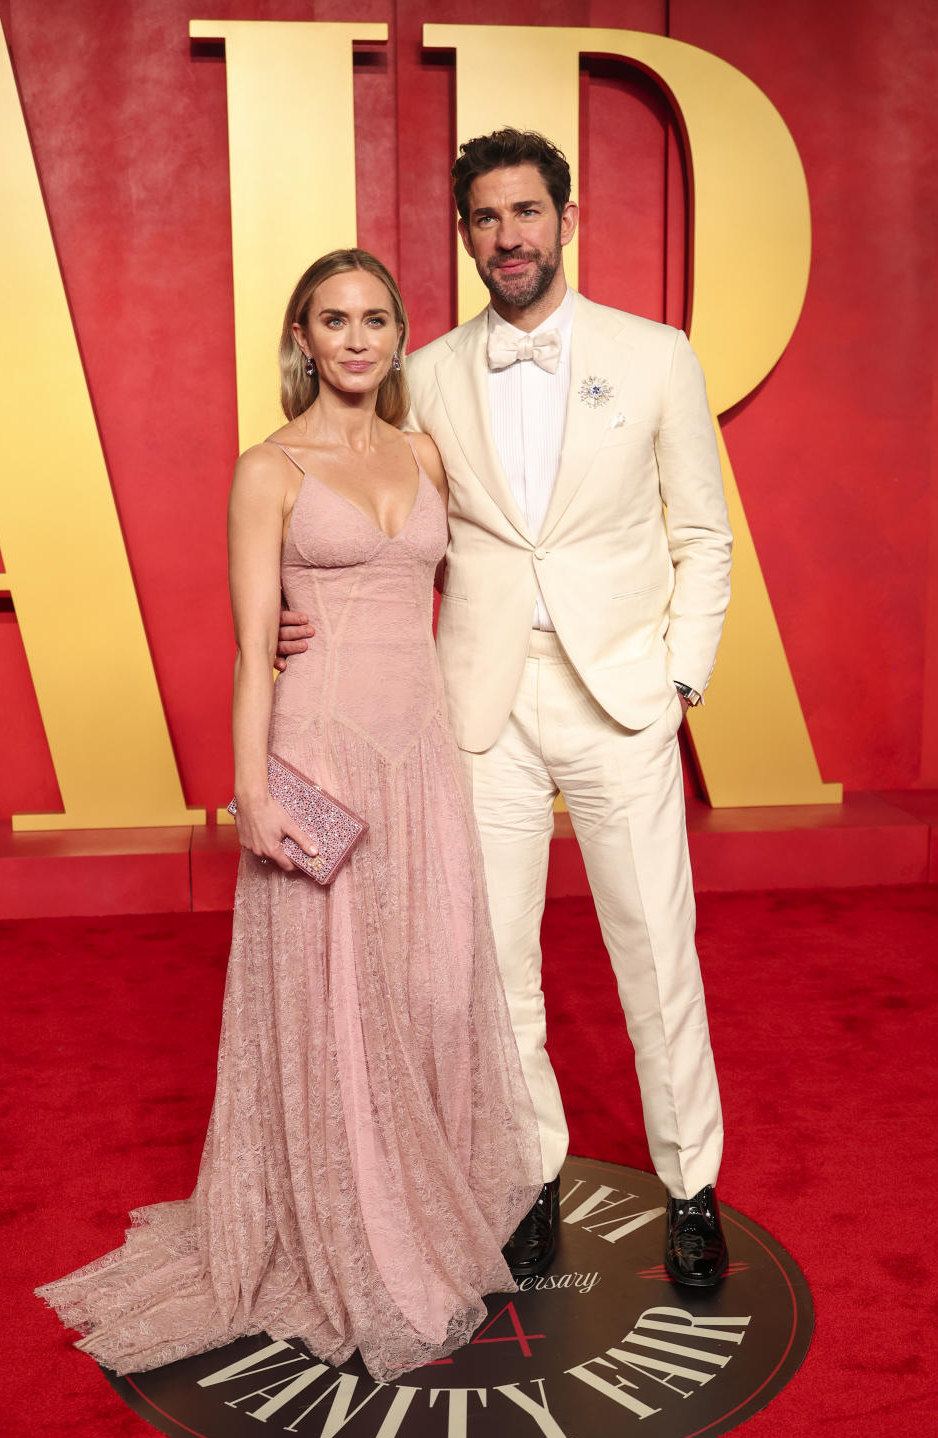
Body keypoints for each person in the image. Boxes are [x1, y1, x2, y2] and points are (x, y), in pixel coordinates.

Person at [36, 249, 542, 1381]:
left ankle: (430, 1198)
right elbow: (253, 650)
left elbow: (483, 588)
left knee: (430, 981)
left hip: (421, 756)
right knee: (338, 1002)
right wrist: (251, 790)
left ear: (400, 336)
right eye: (333, 320)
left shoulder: (428, 454)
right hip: (320, 750)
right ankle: (356, 1233)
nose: (356, 339)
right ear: (301, 339)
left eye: (374, 320)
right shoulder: (267, 469)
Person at [278, 131, 733, 1288]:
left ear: (566, 221)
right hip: (476, 706)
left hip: (622, 699)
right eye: (486, 218)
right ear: (467, 234)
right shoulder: (420, 370)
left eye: (527, 212)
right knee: (497, 965)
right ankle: (531, 1181)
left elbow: (702, 537)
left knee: (656, 955)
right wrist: (303, 616)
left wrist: (680, 681)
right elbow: (358, 505)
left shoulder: (657, 356)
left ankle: (691, 1189)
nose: (509, 236)